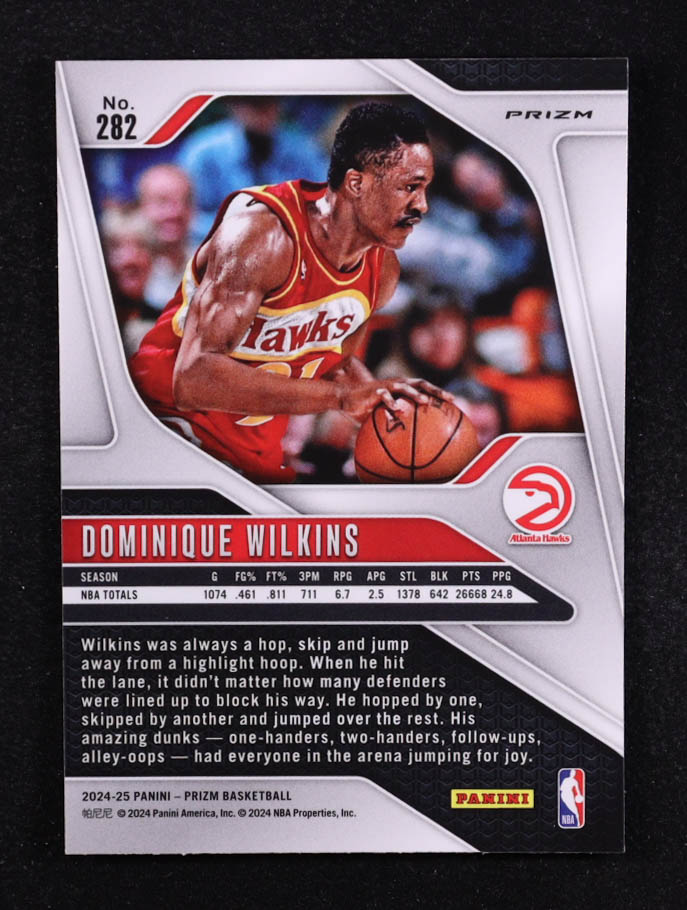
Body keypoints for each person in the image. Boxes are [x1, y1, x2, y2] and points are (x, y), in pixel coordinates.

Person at [130, 102, 449, 483]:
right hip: (170, 426)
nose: (422, 206)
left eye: (424, 189)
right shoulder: (262, 234)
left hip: (253, 451)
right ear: (356, 184)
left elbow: (335, 364)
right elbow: (194, 377)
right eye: (409, 188)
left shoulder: (382, 272)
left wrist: (387, 404)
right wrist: (341, 399)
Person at [99, 207, 159, 359]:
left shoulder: (168, 324)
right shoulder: (89, 325)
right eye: (116, 247)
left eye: (141, 246)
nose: (130, 259)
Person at [137, 165, 196, 310]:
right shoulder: (127, 273)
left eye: (185, 202)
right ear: (140, 207)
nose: (175, 212)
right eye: (162, 202)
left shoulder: (209, 268)